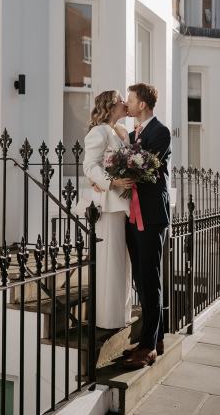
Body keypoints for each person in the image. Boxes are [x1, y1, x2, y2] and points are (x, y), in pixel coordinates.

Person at [123, 83, 171, 369]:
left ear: (142, 104)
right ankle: (158, 337)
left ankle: (148, 347)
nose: (127, 104)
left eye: (130, 99)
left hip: (152, 216)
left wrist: (119, 167)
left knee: (150, 279)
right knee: (141, 279)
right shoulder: (131, 134)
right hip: (132, 215)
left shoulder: (160, 132)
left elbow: (141, 167)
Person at [83, 90, 133, 329]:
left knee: (123, 264)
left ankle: (122, 316)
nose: (126, 103)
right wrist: (111, 182)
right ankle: (107, 318)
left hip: (123, 205)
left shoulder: (122, 132)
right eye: (122, 99)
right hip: (108, 206)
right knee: (110, 263)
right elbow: (89, 166)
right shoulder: (99, 131)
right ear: (111, 106)